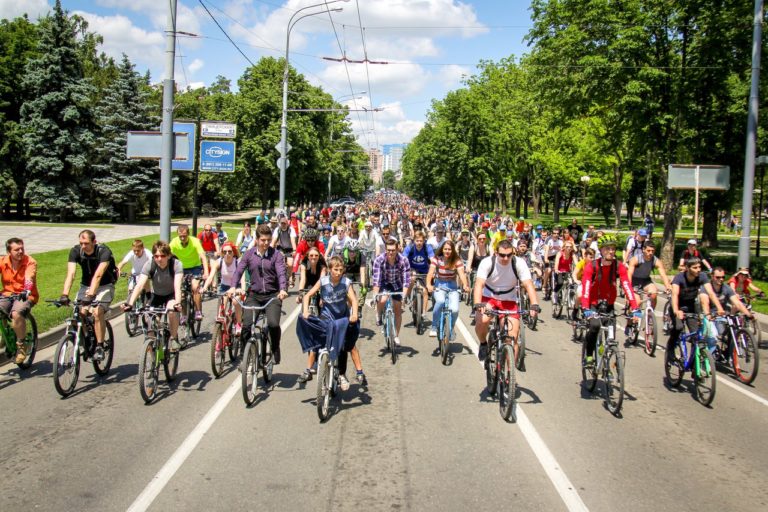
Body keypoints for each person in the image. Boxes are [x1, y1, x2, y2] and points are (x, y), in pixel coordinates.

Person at [297, 256, 361, 390]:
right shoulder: (323, 281)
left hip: (342, 318)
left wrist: (354, 314)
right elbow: (308, 295)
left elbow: (354, 300)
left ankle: (342, 374)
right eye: (335, 270)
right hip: (327, 317)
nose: (338, 272)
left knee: (343, 346)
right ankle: (312, 367)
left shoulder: (346, 282)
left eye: (341, 270)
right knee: (319, 340)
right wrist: (305, 311)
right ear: (330, 270)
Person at [473, 239, 540, 364]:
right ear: (496, 253)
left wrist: (534, 304)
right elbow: (479, 284)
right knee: (483, 321)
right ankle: (483, 343)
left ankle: (509, 373)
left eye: (509, 255)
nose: (505, 258)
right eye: (502, 255)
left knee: (512, 338)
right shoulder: (487, 262)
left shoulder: (519, 263)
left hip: (509, 299)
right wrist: (478, 303)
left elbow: (528, 284)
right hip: (489, 297)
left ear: (513, 253)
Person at [230, 224, 289, 364]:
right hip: (254, 295)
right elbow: (239, 271)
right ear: (256, 240)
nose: (266, 243)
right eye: (263, 240)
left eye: (268, 240)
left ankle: (275, 347)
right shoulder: (249, 254)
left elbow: (281, 273)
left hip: (272, 295)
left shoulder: (276, 255)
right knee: (246, 326)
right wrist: (233, 287)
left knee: (274, 324)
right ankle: (245, 357)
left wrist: (282, 289)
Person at [580, 234, 639, 367]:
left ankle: (609, 356)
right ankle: (589, 356)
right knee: (594, 326)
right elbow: (586, 288)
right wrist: (586, 308)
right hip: (593, 304)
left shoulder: (619, 266)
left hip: (609, 304)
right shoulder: (592, 266)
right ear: (601, 250)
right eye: (607, 249)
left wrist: (635, 307)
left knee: (611, 336)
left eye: (613, 249)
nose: (611, 251)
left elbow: (627, 286)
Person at [60, 230, 117, 361]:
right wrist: (64, 294)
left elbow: (98, 274)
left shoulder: (104, 252)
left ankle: (100, 346)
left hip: (105, 285)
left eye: (86, 243)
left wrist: (91, 295)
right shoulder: (76, 251)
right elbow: (71, 274)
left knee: (97, 312)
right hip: (85, 285)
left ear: (94, 242)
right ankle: (85, 339)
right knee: (79, 313)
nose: (83, 246)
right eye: (81, 243)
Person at [122, 241, 183, 350]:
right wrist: (130, 303)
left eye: (163, 256)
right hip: (157, 295)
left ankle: (173, 338)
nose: (159, 259)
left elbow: (177, 286)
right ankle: (154, 350)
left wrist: (177, 303)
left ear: (168, 256)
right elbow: (140, 285)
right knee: (149, 323)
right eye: (156, 256)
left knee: (172, 311)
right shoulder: (149, 264)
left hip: (171, 294)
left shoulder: (176, 264)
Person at [668, 257, 725, 357]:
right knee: (678, 327)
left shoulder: (702, 276)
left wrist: (719, 308)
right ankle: (670, 348)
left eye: (699, 267)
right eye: (695, 267)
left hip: (690, 306)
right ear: (687, 268)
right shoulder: (679, 278)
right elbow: (674, 295)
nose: (698, 269)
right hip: (677, 305)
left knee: (695, 335)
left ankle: (694, 364)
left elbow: (711, 293)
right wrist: (676, 311)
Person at [0, 237, 38, 364]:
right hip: (7, 293)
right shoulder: (3, 261)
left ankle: (21, 345)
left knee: (16, 313)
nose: (21, 251)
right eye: (17, 249)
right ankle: (4, 335)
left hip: (26, 295)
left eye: (22, 248)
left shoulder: (30, 262)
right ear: (9, 251)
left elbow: (29, 277)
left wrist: (27, 289)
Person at [701, 267, 755, 353]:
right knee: (712, 337)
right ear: (712, 276)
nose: (721, 279)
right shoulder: (706, 287)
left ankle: (729, 351)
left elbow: (737, 303)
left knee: (733, 329)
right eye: (718, 277)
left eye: (723, 277)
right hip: (710, 315)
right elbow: (705, 303)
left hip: (722, 315)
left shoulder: (726, 288)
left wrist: (749, 315)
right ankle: (706, 359)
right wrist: (709, 315)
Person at [370, 238, 411, 345]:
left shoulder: (403, 260)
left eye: (393, 250)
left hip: (397, 284)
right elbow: (376, 279)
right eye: (388, 250)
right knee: (383, 299)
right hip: (384, 283)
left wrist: (404, 296)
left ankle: (396, 335)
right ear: (386, 250)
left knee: (398, 309)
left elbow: (406, 280)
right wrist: (375, 295)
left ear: (397, 250)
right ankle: (378, 314)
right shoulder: (379, 260)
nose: (391, 252)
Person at [426, 239, 470, 340]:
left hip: (452, 286)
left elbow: (462, 274)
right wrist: (429, 284)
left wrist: (465, 285)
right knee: (440, 301)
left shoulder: (456, 260)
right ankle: (434, 326)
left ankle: (451, 327)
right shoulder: (437, 259)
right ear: (442, 249)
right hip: (439, 284)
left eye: (449, 249)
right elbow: (430, 273)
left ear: (452, 250)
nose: (447, 251)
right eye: (445, 249)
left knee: (455, 310)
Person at [202, 241, 245, 335]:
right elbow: (210, 276)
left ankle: (238, 323)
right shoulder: (219, 262)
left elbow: (242, 278)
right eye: (224, 252)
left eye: (229, 251)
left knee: (235, 301)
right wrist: (204, 287)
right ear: (222, 253)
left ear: (233, 252)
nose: (227, 254)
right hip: (224, 287)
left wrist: (243, 290)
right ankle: (220, 338)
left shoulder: (238, 262)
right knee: (221, 311)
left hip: (236, 286)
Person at [169, 224, 209, 321]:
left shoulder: (194, 241)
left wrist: (206, 272)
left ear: (188, 234)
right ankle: (183, 314)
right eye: (180, 236)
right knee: (181, 292)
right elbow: (167, 254)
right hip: (181, 268)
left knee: (195, 287)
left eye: (184, 236)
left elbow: (203, 257)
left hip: (195, 267)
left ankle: (198, 311)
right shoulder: (174, 242)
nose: (182, 238)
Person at [627, 240, 672, 310]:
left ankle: (650, 315)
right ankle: (634, 315)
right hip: (634, 281)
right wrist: (628, 288)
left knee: (654, 293)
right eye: (648, 250)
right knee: (637, 303)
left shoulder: (656, 260)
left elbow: (663, 275)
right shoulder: (635, 259)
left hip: (646, 281)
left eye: (653, 251)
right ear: (643, 250)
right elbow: (629, 274)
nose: (651, 253)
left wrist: (667, 286)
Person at [403, 231, 434, 319]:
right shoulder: (410, 247)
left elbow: (432, 260)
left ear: (424, 240)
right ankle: (407, 297)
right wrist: (407, 270)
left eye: (421, 241)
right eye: (417, 241)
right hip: (412, 269)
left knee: (424, 291)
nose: (419, 243)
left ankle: (424, 313)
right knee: (412, 278)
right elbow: (403, 259)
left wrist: (434, 270)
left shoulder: (427, 247)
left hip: (424, 271)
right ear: (414, 241)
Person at [272, 215, 297, 287]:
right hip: (281, 249)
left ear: (287, 223)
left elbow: (292, 240)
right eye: (281, 223)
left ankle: (290, 277)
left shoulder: (291, 229)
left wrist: (294, 250)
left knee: (290, 264)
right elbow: (274, 240)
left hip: (290, 249)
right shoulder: (277, 229)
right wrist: (270, 248)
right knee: (279, 264)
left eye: (284, 223)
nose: (283, 225)